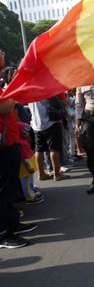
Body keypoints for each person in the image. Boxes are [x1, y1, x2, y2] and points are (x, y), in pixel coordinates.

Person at [0, 95, 38, 249]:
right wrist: (12, 99)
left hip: (9, 144)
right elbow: (6, 106)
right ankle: (4, 234)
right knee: (3, 192)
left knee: (9, 191)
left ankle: (13, 225)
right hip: (3, 148)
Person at [29, 96, 70, 182]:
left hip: (36, 124)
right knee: (54, 149)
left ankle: (41, 174)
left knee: (39, 150)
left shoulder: (28, 89)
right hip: (51, 122)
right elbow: (61, 102)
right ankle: (57, 174)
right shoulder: (46, 86)